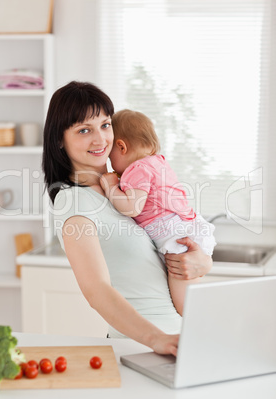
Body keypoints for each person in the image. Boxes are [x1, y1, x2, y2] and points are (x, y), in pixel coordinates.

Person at [42, 81, 212, 356]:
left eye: (105, 125)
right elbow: (96, 289)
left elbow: (161, 249)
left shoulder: (124, 189)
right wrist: (156, 339)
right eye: (84, 130)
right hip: (145, 348)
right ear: (60, 140)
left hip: (184, 341)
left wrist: (202, 262)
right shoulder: (74, 202)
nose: (100, 140)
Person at [100, 109, 216, 314]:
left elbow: (132, 207)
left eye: (111, 157)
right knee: (193, 302)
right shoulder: (158, 162)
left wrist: (111, 188)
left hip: (175, 238)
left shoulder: (137, 169)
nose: (111, 165)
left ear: (121, 146)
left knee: (187, 309)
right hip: (184, 229)